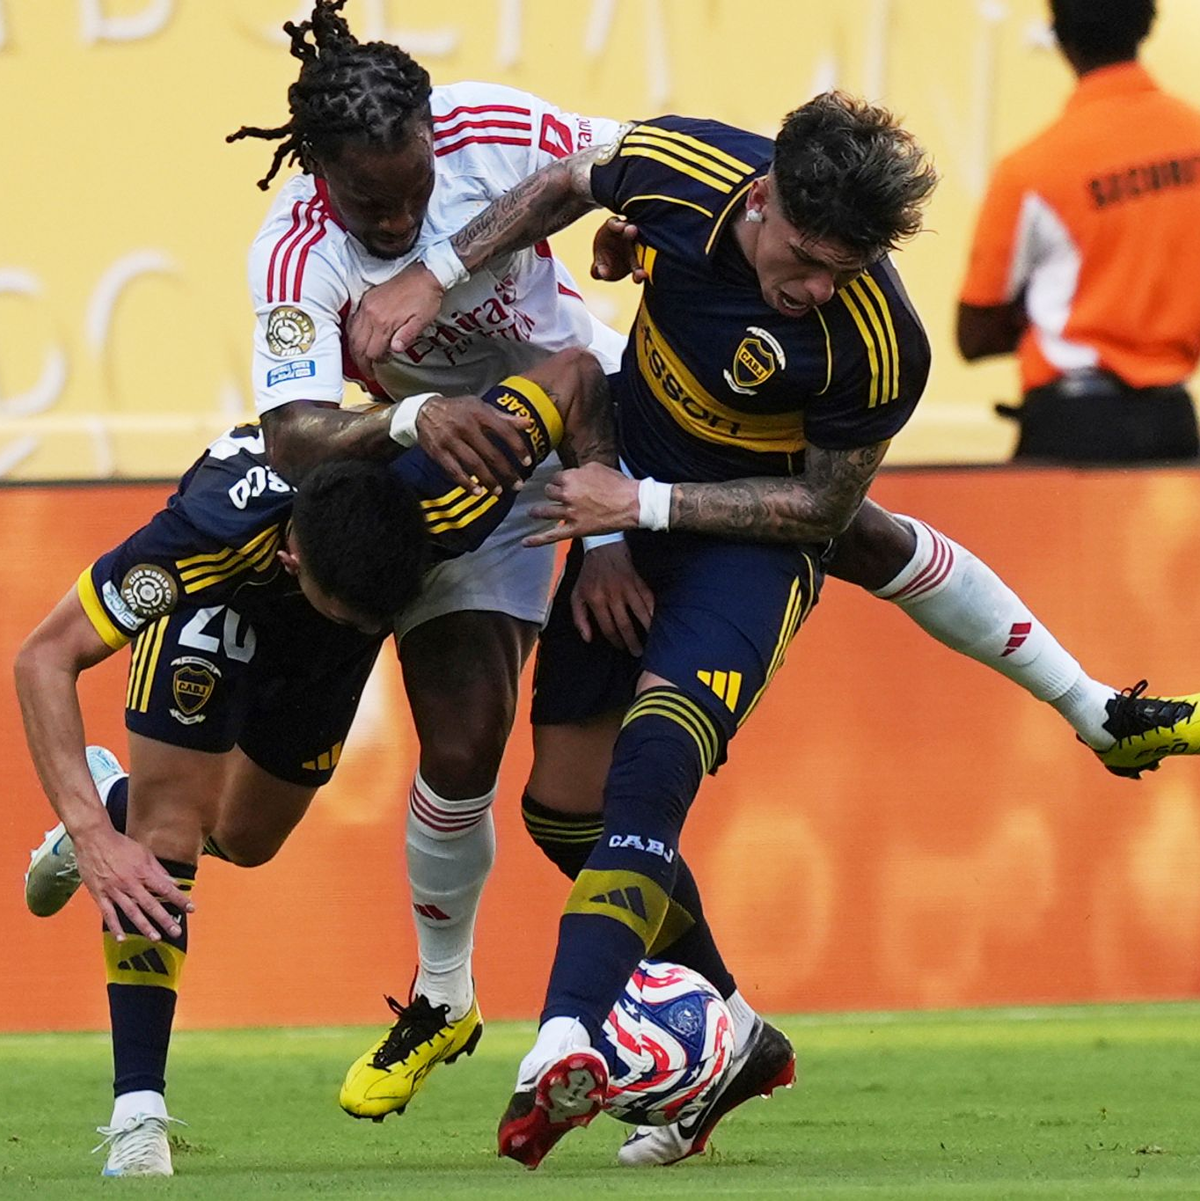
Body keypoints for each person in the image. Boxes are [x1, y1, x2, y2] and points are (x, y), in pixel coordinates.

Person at [354, 91, 1200, 1169]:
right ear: (759, 197)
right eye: (801, 258)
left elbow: (825, 516)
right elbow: (569, 180)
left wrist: (640, 508)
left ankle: (564, 1034)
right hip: (628, 511)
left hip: (745, 550)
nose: (814, 290)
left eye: (841, 271)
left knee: (651, 766)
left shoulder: (879, 347)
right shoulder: (679, 170)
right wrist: (437, 276)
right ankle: (735, 1036)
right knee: (563, 813)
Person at [16, 355, 611, 1177]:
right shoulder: (198, 542)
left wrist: (609, 531)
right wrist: (91, 837)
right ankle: (137, 1112)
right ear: (297, 557)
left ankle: (112, 793)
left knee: (250, 838)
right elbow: (42, 659)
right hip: (218, 612)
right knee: (167, 837)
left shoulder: (453, 482)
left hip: (329, 632)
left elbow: (577, 375)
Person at [224, 0, 648, 1124]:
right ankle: (445, 995)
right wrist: (411, 424)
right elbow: (297, 432)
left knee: (832, 521)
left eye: (417, 185)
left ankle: (1079, 695)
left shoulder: (495, 125)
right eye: (375, 200)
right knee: (461, 740)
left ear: (432, 134)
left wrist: (631, 225)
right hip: (453, 467)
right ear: (317, 170)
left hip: (589, 408)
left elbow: (635, 161)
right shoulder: (294, 252)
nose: (403, 213)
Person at [958, 0, 1200, 463]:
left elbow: (976, 332)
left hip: (1073, 429)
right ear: (1147, 26)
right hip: (1175, 427)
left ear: (1059, 37)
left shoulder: (1031, 170)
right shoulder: (1193, 140)